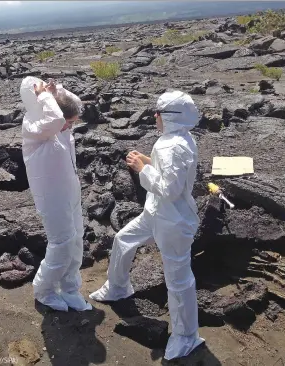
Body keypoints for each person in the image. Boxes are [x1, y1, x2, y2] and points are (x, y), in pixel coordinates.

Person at [89, 90, 204, 360]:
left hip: (173, 219)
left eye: (159, 112)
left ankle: (186, 337)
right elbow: (173, 173)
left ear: (170, 117)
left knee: (178, 279)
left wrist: (143, 169)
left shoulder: (172, 145)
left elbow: (171, 189)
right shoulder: (178, 138)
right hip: (156, 212)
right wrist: (149, 162)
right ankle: (117, 287)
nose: (155, 116)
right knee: (124, 239)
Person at [20, 76, 92, 312]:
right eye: (68, 123)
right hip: (51, 196)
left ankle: (69, 287)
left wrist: (55, 91)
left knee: (76, 238)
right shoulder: (34, 126)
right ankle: (44, 290)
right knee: (61, 242)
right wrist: (44, 96)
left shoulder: (57, 124)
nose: (68, 126)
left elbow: (71, 106)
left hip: (69, 191)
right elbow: (57, 118)